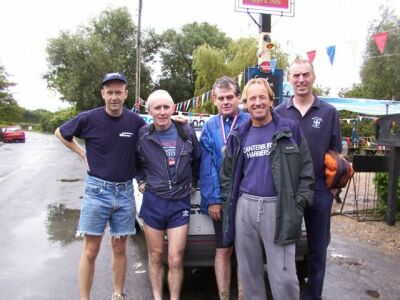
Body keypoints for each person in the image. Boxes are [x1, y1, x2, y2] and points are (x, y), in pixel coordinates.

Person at [219, 77, 314, 300]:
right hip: (245, 207)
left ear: (271, 101)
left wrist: (297, 203)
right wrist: (231, 201)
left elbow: (306, 171)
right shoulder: (239, 134)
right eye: (252, 98)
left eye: (262, 97)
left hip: (279, 208)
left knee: (284, 277)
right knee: (250, 273)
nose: (257, 102)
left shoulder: (290, 130)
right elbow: (227, 174)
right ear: (245, 103)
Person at [55, 72, 145, 300]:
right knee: (91, 250)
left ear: (126, 94)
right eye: (110, 92)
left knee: (119, 247)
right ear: (103, 94)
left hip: (124, 192)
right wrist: (81, 152)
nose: (114, 97)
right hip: (97, 191)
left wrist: (179, 122)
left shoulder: (135, 122)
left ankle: (117, 294)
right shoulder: (88, 118)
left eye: (118, 92)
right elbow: (60, 132)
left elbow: (155, 135)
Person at [275, 58, 343, 300]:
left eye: (306, 75)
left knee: (317, 250)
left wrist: (332, 190)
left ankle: (313, 296)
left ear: (313, 77)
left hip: (319, 189)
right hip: (288, 190)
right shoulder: (279, 112)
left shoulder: (328, 112)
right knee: (285, 250)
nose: (301, 80)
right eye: (296, 76)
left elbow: (336, 152)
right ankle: (288, 294)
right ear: (289, 80)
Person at [136, 90, 201, 300]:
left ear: (173, 109)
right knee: (155, 255)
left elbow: (198, 159)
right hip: (153, 201)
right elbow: (134, 160)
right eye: (157, 107)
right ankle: (157, 296)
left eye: (166, 107)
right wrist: (141, 179)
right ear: (150, 111)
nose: (162, 112)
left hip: (179, 202)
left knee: (175, 258)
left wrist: (194, 181)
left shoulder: (186, 131)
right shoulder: (143, 134)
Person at [199, 76, 249, 300]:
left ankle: (243, 295)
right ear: (214, 100)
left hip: (248, 197)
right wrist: (213, 199)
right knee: (223, 249)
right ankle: (223, 296)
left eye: (230, 97)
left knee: (246, 251)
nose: (226, 101)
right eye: (221, 98)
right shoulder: (210, 126)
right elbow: (207, 165)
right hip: (222, 199)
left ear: (238, 97)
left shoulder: (250, 120)